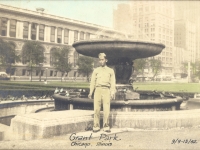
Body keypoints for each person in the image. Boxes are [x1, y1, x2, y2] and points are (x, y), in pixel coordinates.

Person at [88, 53, 116, 133]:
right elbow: (92, 82)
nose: (101, 61)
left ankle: (106, 126)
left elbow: (113, 82)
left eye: (102, 59)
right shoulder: (96, 70)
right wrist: (91, 92)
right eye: (99, 60)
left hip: (106, 90)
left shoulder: (111, 71)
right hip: (98, 90)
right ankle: (96, 126)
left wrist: (112, 91)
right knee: (96, 109)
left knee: (106, 109)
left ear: (106, 60)